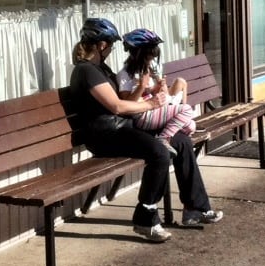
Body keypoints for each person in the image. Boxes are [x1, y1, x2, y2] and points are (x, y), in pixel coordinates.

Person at [68, 16, 222, 243]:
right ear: (101, 45)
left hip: (122, 128)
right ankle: (146, 216)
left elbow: (123, 102)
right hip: (105, 135)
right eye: (110, 45)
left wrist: (148, 95)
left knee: (181, 141)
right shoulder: (86, 71)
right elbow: (117, 106)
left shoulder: (100, 69)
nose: (111, 49)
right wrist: (151, 104)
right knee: (159, 152)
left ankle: (195, 207)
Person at [116, 28, 197, 149]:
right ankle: (164, 138)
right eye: (149, 58)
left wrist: (157, 87)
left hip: (154, 111)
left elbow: (149, 94)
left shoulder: (143, 70)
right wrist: (141, 86)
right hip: (142, 116)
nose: (151, 61)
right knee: (186, 109)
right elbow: (128, 103)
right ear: (138, 54)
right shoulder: (125, 74)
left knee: (191, 126)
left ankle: (167, 136)